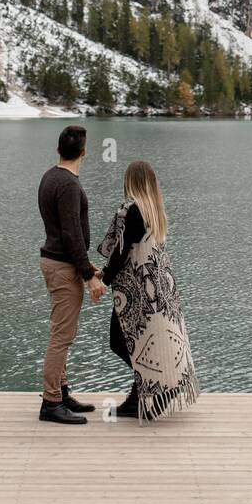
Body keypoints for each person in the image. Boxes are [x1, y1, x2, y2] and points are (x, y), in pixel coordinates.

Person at [98, 160, 199, 422]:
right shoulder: (153, 208)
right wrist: (103, 273)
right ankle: (140, 395)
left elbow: (120, 252)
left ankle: (163, 386)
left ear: (130, 180)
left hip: (139, 291)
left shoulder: (130, 209)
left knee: (120, 341)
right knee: (139, 343)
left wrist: (103, 280)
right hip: (160, 287)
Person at [37, 124, 106, 424]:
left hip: (57, 263)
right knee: (61, 336)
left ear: (58, 150)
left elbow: (67, 234)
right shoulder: (68, 184)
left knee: (62, 331)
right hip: (63, 266)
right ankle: (51, 403)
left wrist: (87, 268)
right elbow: (71, 234)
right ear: (84, 152)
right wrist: (88, 274)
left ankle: (61, 392)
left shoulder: (49, 177)